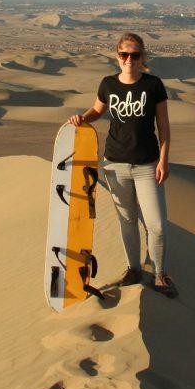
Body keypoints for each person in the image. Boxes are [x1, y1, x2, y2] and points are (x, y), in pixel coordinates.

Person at [68, 32, 177, 298]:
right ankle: (134, 269)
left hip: (147, 165)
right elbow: (98, 110)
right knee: (127, 220)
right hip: (115, 164)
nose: (129, 59)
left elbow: (163, 126)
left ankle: (160, 274)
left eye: (135, 55)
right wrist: (82, 118)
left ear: (143, 58)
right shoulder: (108, 84)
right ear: (117, 56)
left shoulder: (153, 85)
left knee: (157, 225)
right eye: (124, 54)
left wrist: (164, 159)